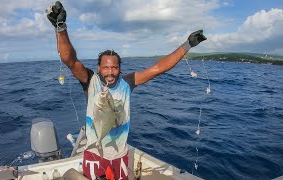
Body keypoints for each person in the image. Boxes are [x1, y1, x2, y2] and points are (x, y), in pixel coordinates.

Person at [47, 1, 206, 180]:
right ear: (98, 68)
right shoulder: (89, 80)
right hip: (94, 155)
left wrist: (188, 44)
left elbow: (158, 68)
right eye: (106, 68)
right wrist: (60, 27)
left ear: (120, 68)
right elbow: (70, 60)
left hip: (120, 155)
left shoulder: (127, 82)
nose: (110, 72)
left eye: (114, 67)